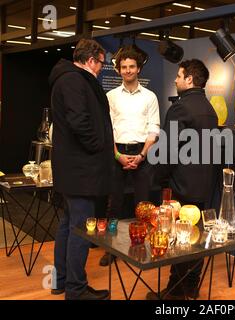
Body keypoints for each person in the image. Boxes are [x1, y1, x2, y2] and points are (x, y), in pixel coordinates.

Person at [147, 59, 218, 300]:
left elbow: (167, 151)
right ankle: (190, 286)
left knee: (178, 239)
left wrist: (159, 180)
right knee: (195, 238)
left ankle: (175, 292)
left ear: (189, 79)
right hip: (205, 185)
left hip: (182, 185)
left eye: (179, 76)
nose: (175, 80)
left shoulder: (180, 108)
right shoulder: (210, 109)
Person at [49, 39, 114, 300]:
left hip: (74, 170)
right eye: (100, 63)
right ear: (90, 61)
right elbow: (80, 122)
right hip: (81, 171)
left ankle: (61, 281)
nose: (101, 68)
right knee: (80, 229)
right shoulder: (74, 81)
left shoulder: (68, 79)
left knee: (68, 225)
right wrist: (100, 146)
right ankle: (75, 290)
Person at [98, 47, 160, 266]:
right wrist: (116, 154)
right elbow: (108, 129)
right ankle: (110, 249)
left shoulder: (150, 97)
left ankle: (139, 247)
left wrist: (142, 155)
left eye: (131, 66)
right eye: (123, 67)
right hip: (117, 154)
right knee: (113, 205)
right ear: (118, 70)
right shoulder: (110, 96)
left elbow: (154, 128)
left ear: (139, 68)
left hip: (142, 154)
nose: (127, 70)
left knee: (142, 206)